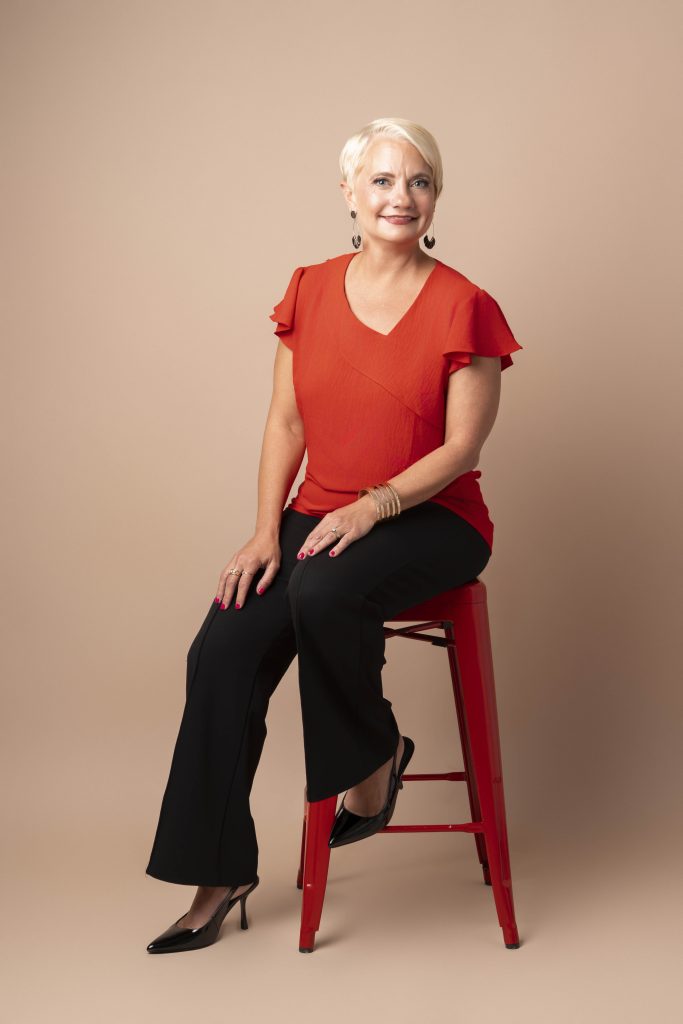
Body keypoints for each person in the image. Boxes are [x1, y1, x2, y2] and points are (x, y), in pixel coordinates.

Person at [145, 116, 523, 954]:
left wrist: (373, 506)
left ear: (435, 198)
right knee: (223, 644)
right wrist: (263, 533)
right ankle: (219, 872)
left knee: (325, 590)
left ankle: (371, 765)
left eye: (418, 181)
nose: (401, 196)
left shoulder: (466, 303)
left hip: (433, 518)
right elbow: (285, 420)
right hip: (319, 514)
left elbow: (462, 448)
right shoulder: (310, 288)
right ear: (349, 193)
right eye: (383, 180)